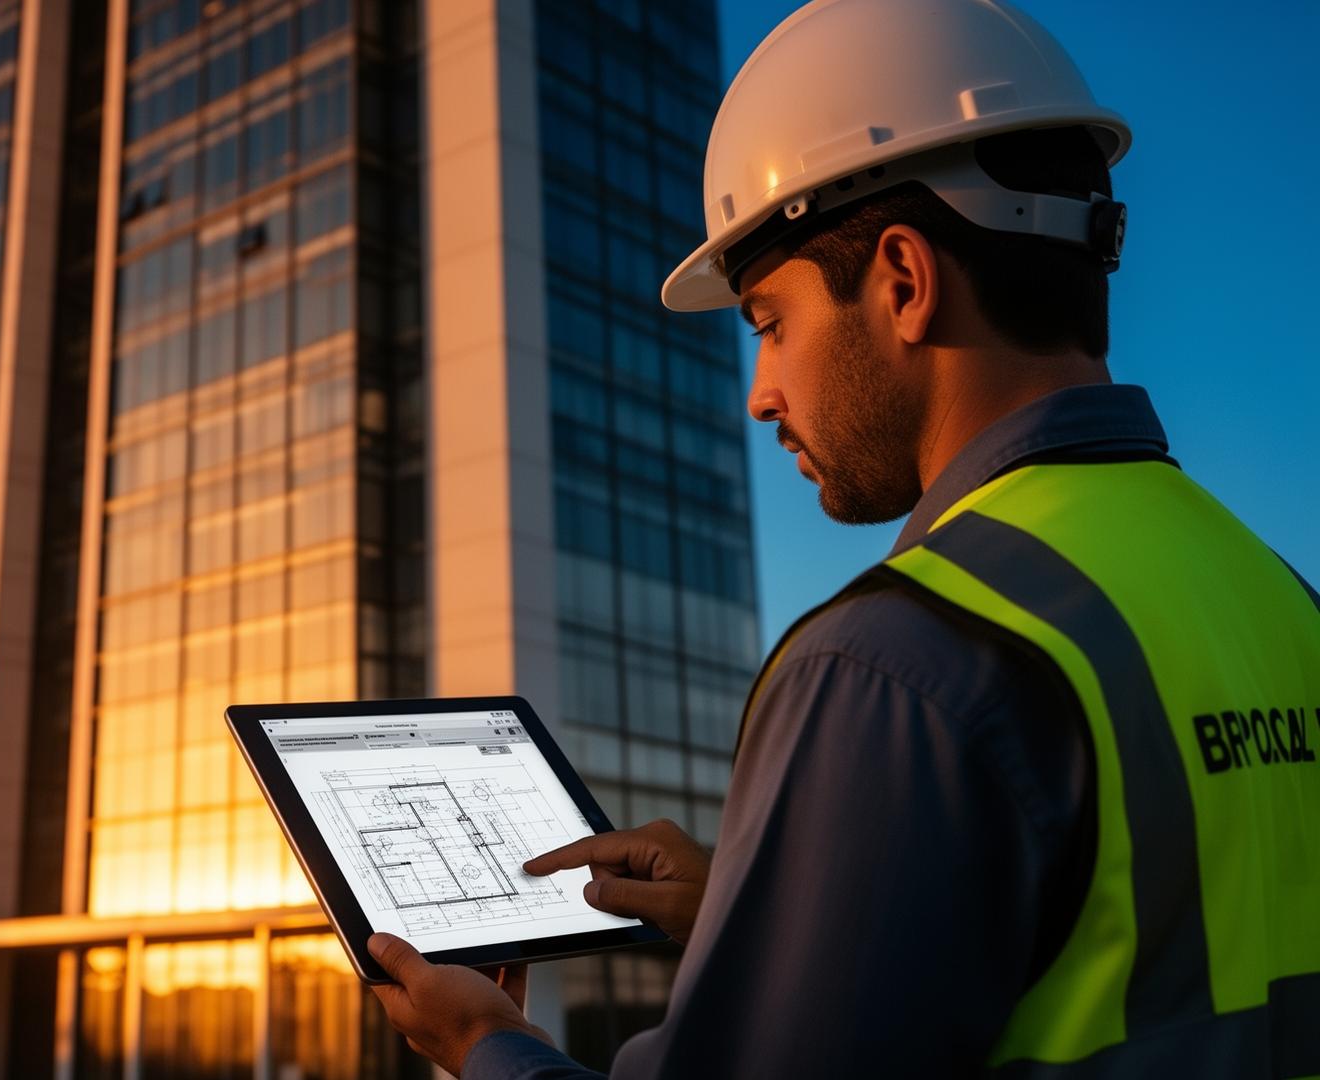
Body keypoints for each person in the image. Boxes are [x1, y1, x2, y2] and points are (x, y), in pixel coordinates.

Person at [362, 0, 1320, 1075]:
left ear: (904, 282)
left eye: (770, 323)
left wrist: (490, 1045)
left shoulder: (894, 666)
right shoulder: (1274, 593)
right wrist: (758, 900)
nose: (760, 396)